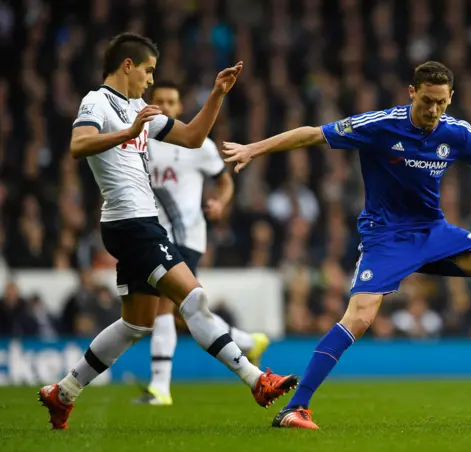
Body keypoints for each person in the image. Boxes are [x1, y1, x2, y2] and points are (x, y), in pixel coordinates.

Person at [223, 61, 471, 430]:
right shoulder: (379, 125)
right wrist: (254, 149)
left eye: (440, 102)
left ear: (450, 99)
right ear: (411, 93)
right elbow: (311, 135)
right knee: (359, 317)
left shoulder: (456, 133)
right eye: (426, 101)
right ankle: (295, 408)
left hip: (433, 233)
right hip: (386, 237)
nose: (433, 110)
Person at [38, 33, 297, 431]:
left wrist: (218, 94)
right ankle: (255, 378)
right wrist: (126, 134)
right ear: (128, 65)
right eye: (148, 70)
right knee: (192, 298)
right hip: (131, 223)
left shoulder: (140, 107)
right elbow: (79, 144)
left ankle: (64, 391)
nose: (149, 79)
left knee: (136, 324)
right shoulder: (96, 101)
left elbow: (193, 137)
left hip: (137, 224)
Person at [133, 81, 270, 406]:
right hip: (152, 235)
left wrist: (221, 203)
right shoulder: (142, 141)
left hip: (187, 236)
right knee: (185, 310)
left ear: (180, 108)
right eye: (160, 101)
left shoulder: (198, 144)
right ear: (151, 105)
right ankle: (247, 341)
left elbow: (225, 182)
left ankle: (160, 388)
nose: (166, 107)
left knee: (164, 305)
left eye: (171, 101)